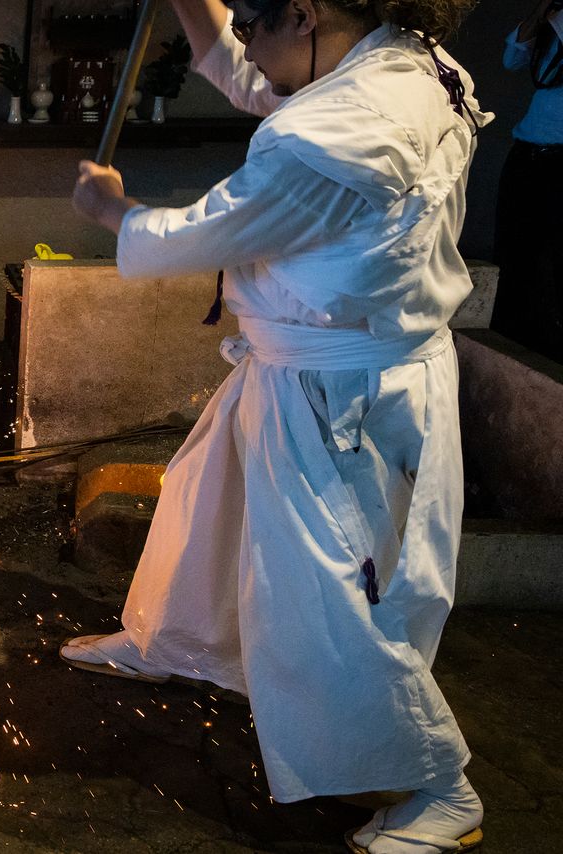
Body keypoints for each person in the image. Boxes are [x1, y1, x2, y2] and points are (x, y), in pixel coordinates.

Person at [64, 1, 488, 852]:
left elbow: (207, 231)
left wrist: (112, 210)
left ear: (306, 13)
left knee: (332, 595)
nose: (248, 51)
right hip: (326, 364)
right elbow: (261, 77)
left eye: (254, 21)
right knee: (208, 504)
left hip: (340, 391)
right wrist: (198, 9)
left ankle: (440, 788)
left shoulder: (335, 135)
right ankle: (178, 641)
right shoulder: (408, 63)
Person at [492, 0, 563, 363]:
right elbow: (512, 59)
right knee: (514, 248)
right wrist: (541, 15)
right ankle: (509, 339)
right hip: (529, 148)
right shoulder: (553, 18)